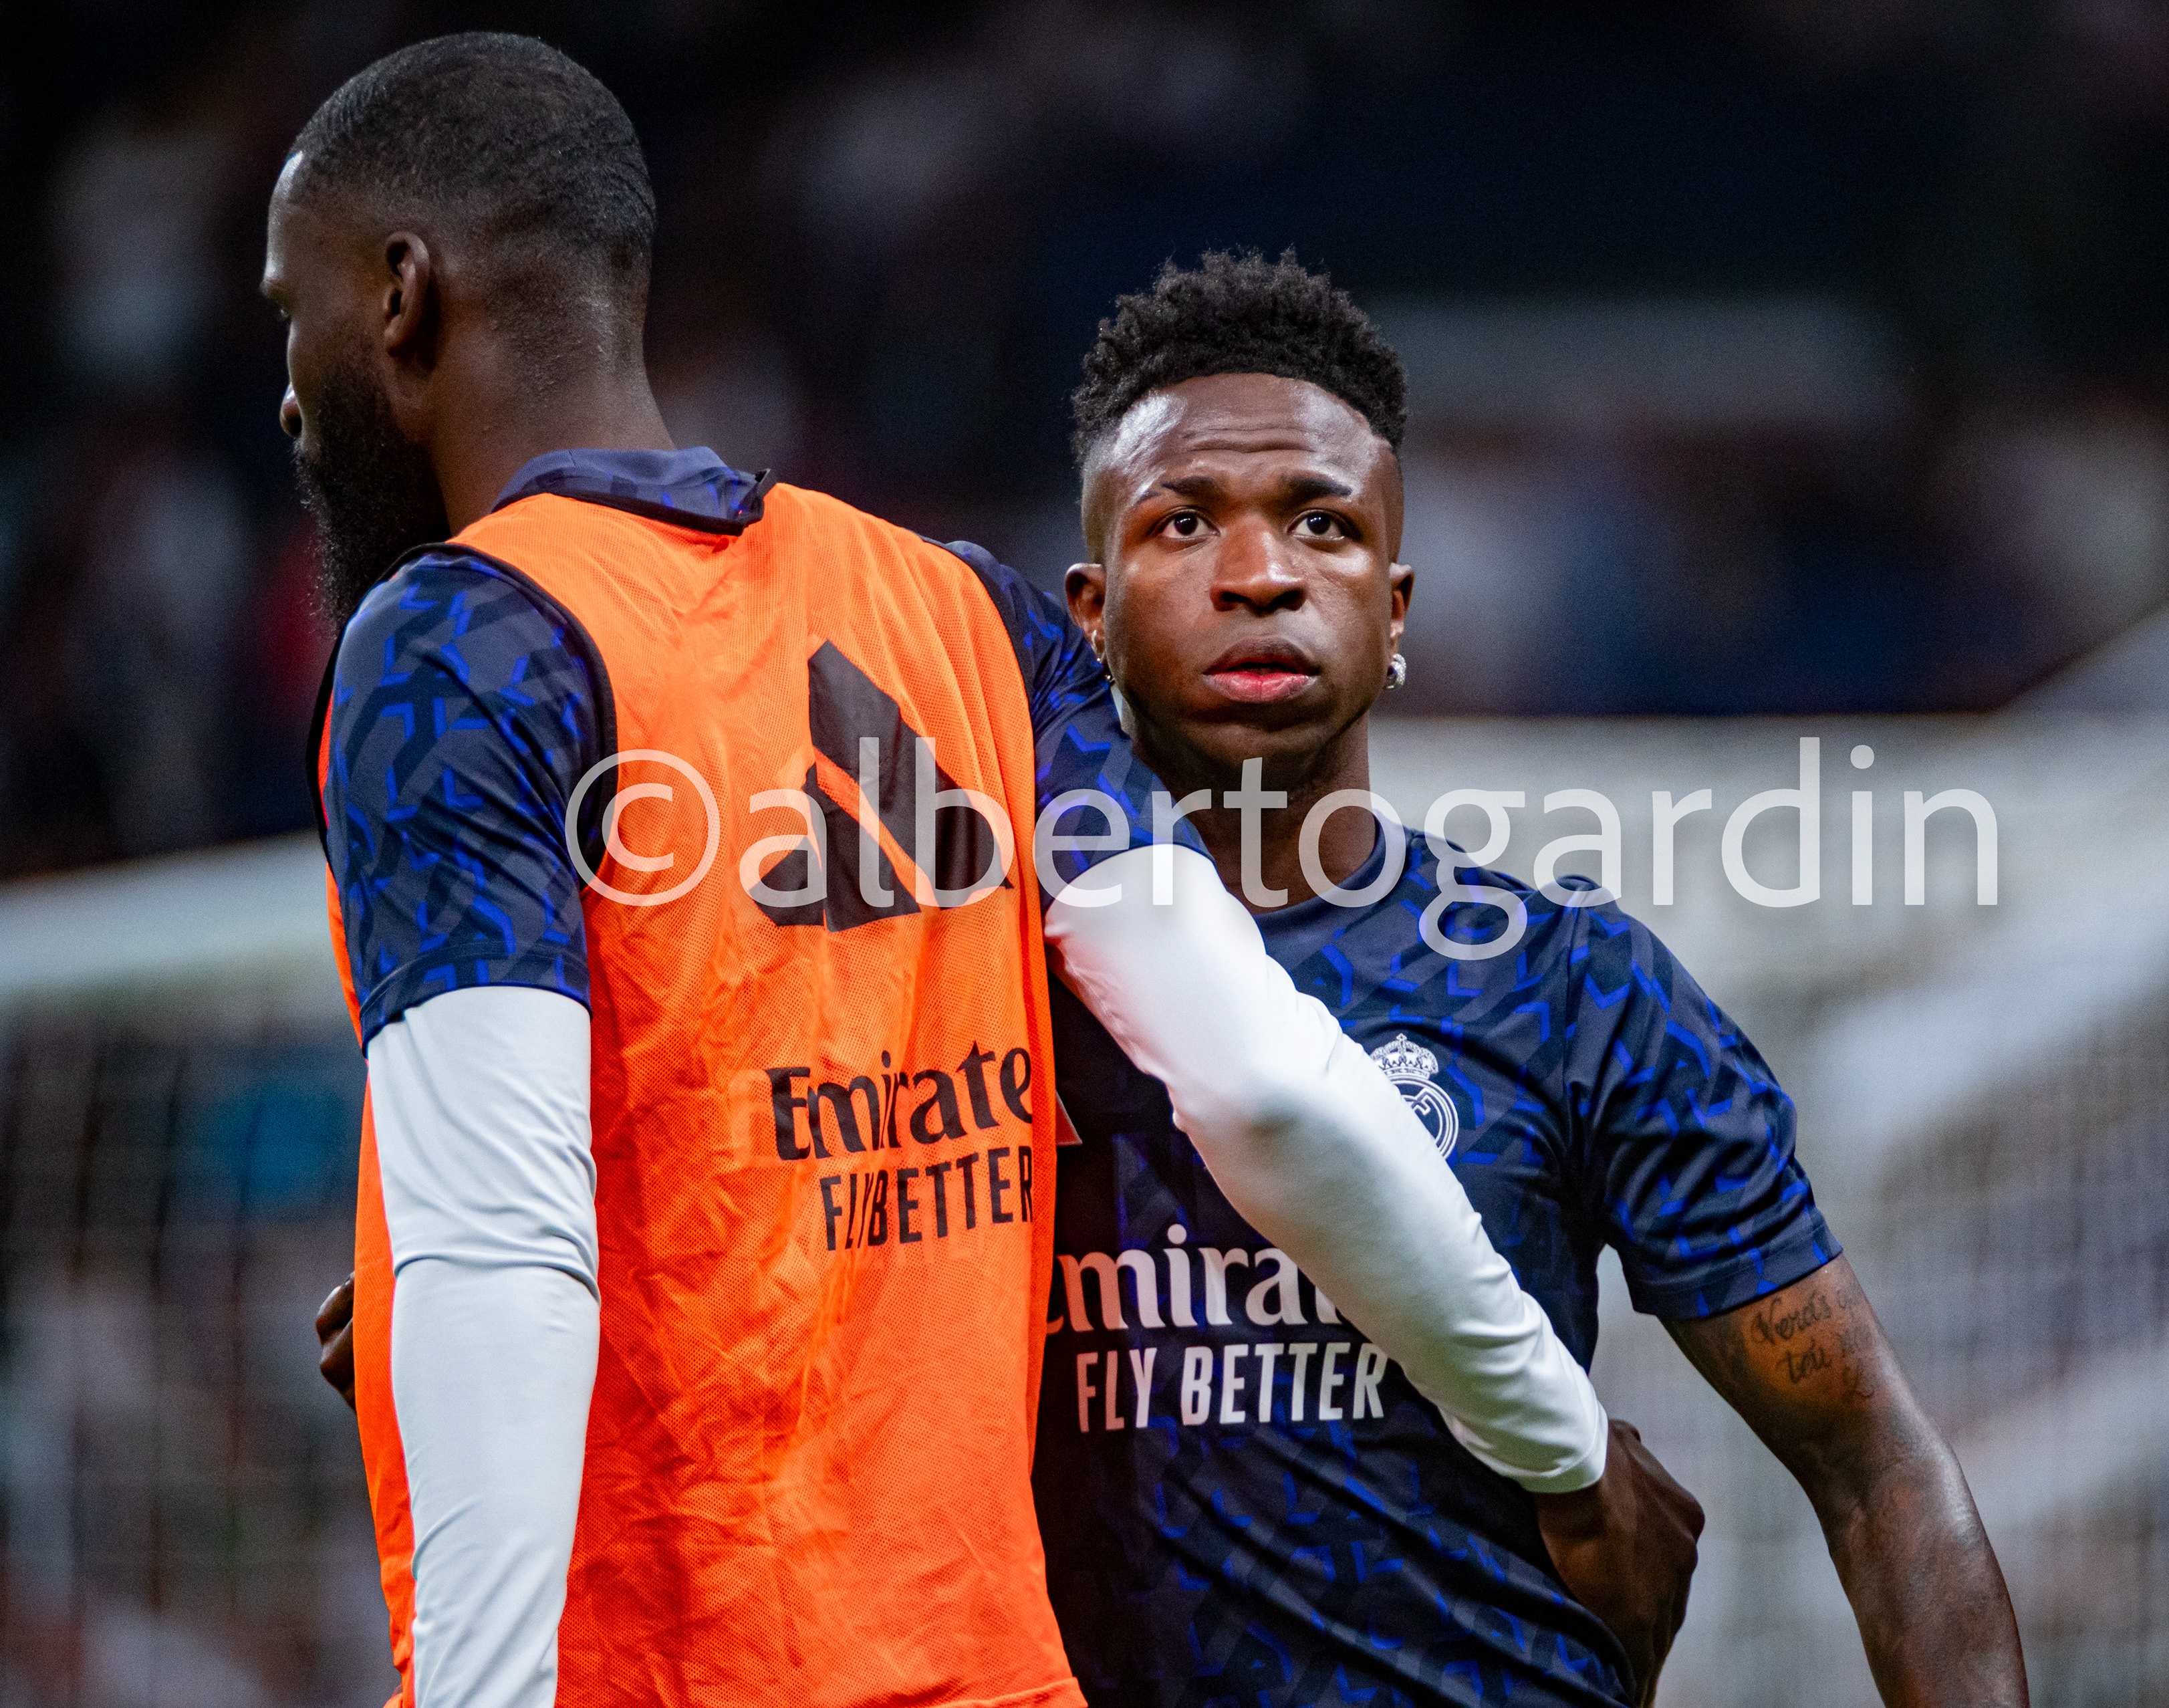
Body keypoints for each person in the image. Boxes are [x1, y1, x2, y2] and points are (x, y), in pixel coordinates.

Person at [273, 37, 1689, 1708]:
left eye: (290, 314)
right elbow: (1269, 1086)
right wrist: (1563, 1444)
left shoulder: (457, 648)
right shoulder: (965, 614)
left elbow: (502, 1256)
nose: (287, 390)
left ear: (401, 297)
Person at [1023, 252, 2033, 1707]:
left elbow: (1874, 1463)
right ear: (1090, 612)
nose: (1261, 575)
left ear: (1398, 610)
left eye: (1324, 524)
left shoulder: (1568, 988)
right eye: (1185, 525)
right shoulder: (974, 989)